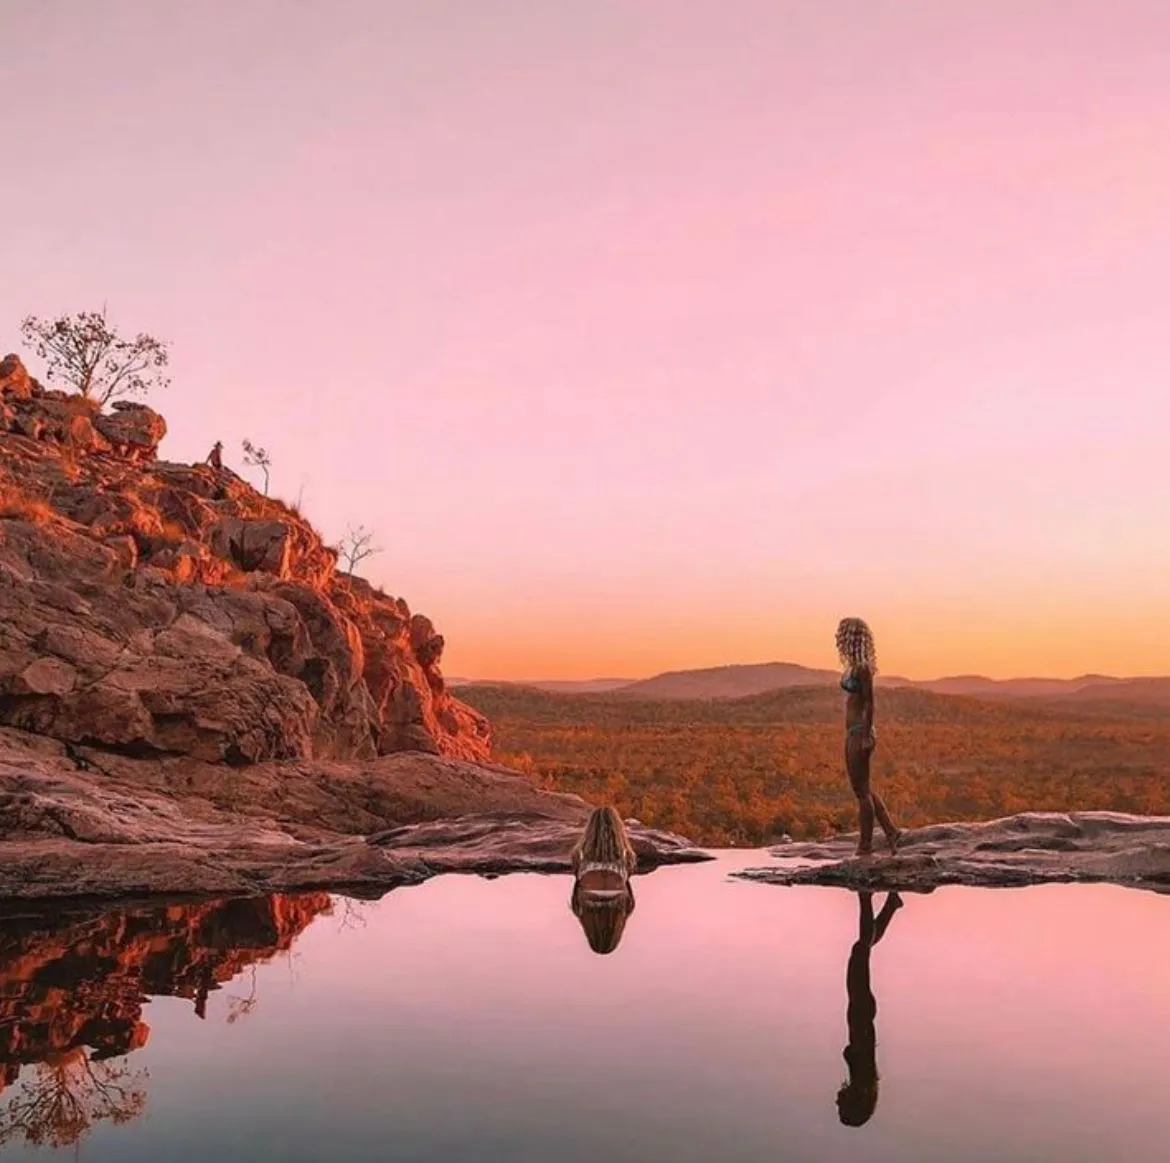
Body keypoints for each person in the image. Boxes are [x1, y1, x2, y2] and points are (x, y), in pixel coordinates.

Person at [837, 890, 903, 1128]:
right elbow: (861, 1040)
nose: (837, 1102)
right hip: (861, 1011)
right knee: (860, 949)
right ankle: (865, 896)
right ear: (854, 1102)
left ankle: (891, 904)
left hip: (859, 1010)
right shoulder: (862, 1075)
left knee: (862, 949)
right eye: (841, 1106)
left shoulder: (864, 1077)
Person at [836, 617, 901, 856]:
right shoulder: (854, 667)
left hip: (859, 731)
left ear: (852, 638)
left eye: (841, 634)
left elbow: (870, 703)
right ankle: (891, 831)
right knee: (863, 787)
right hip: (852, 731)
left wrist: (866, 734)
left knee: (861, 793)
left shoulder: (863, 669)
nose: (837, 639)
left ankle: (865, 846)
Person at [569, 805, 639, 955]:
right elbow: (629, 888)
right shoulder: (626, 855)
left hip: (589, 893)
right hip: (616, 894)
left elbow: (576, 885)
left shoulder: (579, 854)